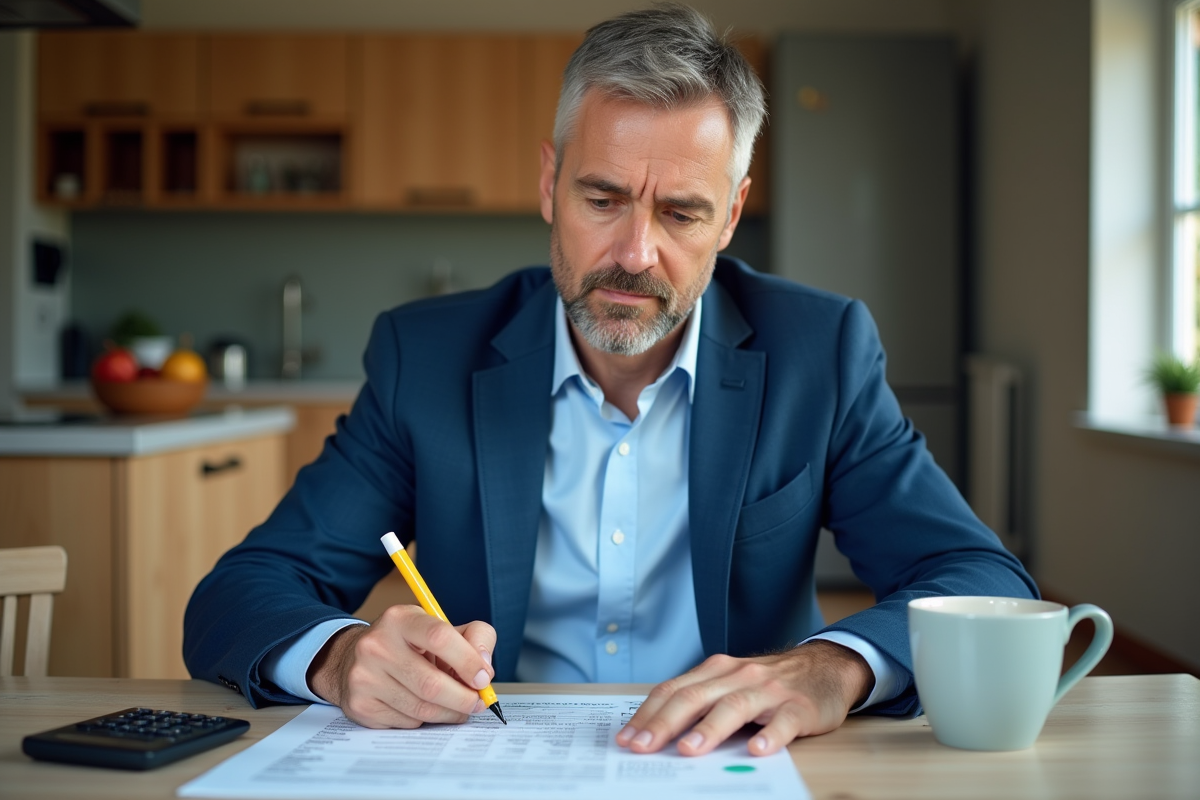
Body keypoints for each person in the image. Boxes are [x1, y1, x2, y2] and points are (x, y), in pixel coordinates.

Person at [184, 3, 1036, 758]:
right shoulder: (426, 359)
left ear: (731, 215)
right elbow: (239, 593)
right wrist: (339, 658)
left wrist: (833, 666)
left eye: (680, 212)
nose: (635, 254)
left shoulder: (823, 350)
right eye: (603, 198)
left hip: (728, 767)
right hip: (492, 764)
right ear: (550, 184)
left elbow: (982, 579)